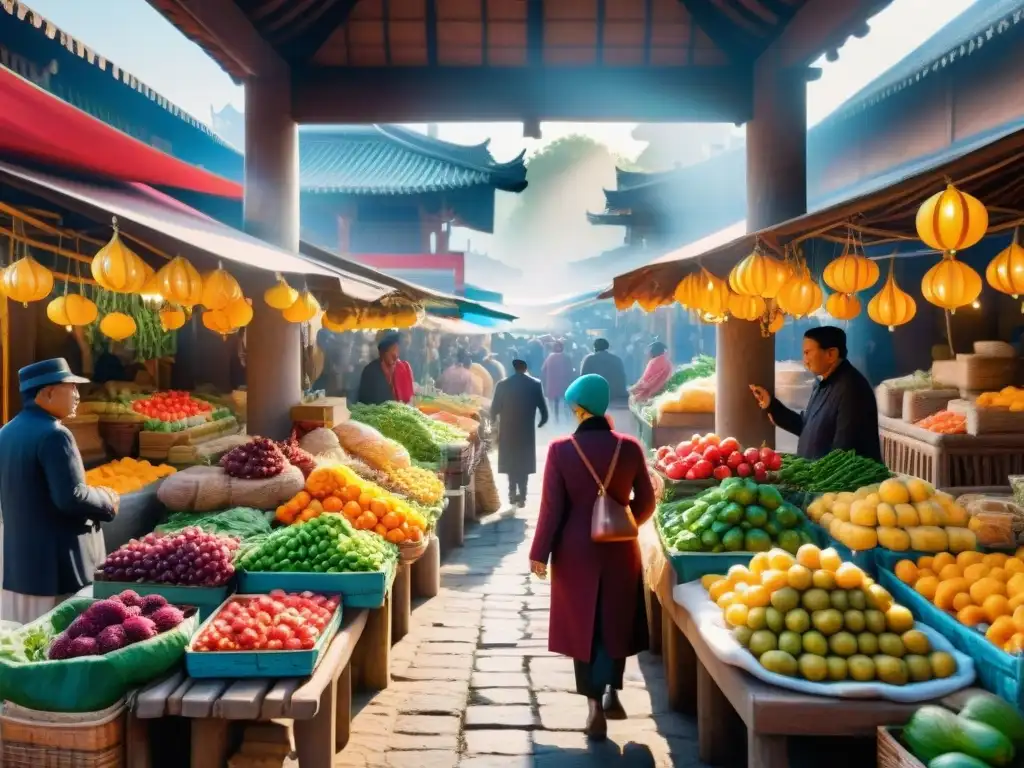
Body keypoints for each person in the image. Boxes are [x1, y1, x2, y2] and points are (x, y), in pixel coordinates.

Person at [529, 374, 656, 740]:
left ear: (580, 409)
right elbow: (646, 503)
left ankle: (593, 707)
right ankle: (614, 693)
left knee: (586, 624)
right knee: (615, 622)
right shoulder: (629, 448)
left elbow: (551, 510)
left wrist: (539, 553)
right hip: (620, 551)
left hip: (575, 552)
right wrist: (621, 519)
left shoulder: (560, 450)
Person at [0, 359, 119, 624]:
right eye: (71, 388)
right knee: (56, 640)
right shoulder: (55, 434)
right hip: (57, 569)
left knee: (21, 639)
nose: (77, 395)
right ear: (48, 392)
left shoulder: (5, 432)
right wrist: (107, 499)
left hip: (20, 565)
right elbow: (71, 497)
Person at [750, 325, 882, 461]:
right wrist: (771, 405)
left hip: (842, 480)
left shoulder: (853, 389)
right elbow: (806, 425)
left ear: (831, 354)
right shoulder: (822, 383)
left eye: (807, 353)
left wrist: (813, 477)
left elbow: (844, 452)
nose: (804, 360)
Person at [490, 358, 548, 507]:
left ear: (513, 368)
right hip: (526, 431)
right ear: (525, 368)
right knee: (524, 463)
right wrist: (543, 420)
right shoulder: (535, 384)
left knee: (511, 462)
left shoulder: (502, 385)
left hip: (508, 430)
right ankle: (522, 495)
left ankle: (511, 492)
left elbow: (494, 408)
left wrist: (493, 423)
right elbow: (542, 407)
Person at [357, 332, 414, 405]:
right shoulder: (370, 371)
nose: (395, 356)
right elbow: (364, 403)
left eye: (396, 349)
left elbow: (410, 399)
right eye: (391, 350)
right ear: (382, 352)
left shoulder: (405, 368)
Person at [581, 338, 627, 402]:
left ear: (594, 347)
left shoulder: (589, 359)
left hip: (595, 394)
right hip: (613, 394)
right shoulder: (616, 359)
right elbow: (622, 377)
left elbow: (583, 377)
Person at [541, 341, 575, 422]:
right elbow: (570, 371)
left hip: (552, 386)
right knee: (566, 406)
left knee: (555, 407)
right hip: (564, 386)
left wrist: (545, 385)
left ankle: (556, 422)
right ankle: (568, 422)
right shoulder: (567, 357)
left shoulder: (549, 358)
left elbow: (543, 370)